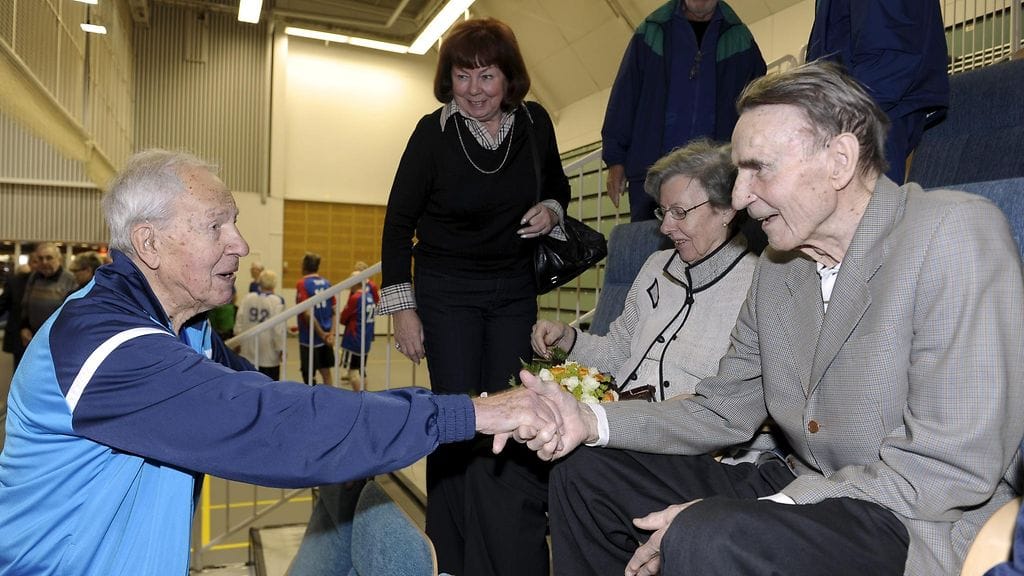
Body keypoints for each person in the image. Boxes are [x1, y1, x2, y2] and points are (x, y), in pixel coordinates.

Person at [528, 62, 1024, 576]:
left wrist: (765, 508)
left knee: (707, 534)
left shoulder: (953, 233)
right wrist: (591, 421)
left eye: (758, 168)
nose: (739, 196)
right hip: (800, 483)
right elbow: (722, 412)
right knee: (587, 474)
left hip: (912, 518)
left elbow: (948, 470)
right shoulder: (779, 267)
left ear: (839, 161)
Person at [0, 149, 564, 575]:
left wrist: (369, 435)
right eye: (216, 225)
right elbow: (269, 423)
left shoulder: (181, 329)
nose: (240, 244)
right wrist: (471, 412)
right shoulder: (105, 346)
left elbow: (291, 405)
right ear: (149, 243)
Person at [463, 139, 762, 575]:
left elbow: (740, 408)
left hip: (688, 444)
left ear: (726, 209)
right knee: (492, 460)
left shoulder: (759, 284)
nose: (668, 227)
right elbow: (619, 350)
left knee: (577, 466)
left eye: (681, 212)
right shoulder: (656, 267)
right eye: (663, 213)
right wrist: (570, 338)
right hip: (617, 419)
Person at [379, 17, 570, 574]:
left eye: (487, 75)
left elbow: (557, 187)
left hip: (513, 291)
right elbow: (396, 226)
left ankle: (505, 549)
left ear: (509, 79)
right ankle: (451, 554)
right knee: (459, 419)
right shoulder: (431, 133)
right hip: (446, 295)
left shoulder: (535, 124)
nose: (475, 89)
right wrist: (403, 311)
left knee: (513, 416)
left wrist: (551, 211)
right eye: (463, 75)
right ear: (448, 80)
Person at [603, 0, 766, 222]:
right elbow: (625, 95)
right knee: (651, 247)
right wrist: (615, 159)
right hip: (652, 178)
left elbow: (756, 111)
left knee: (711, 246)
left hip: (717, 179)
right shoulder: (651, 32)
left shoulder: (741, 40)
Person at [805, 0, 949, 184]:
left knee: (868, 205)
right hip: (854, 106)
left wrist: (830, 120)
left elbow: (888, 51)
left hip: (865, 110)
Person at [19, 242, 77, 348]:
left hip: (58, 340)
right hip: (34, 337)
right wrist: (24, 327)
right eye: (40, 259)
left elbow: (72, 313)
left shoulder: (70, 279)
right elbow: (25, 305)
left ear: (59, 259)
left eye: (49, 258)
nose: (44, 262)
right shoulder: (34, 277)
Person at [235, 269, 286, 380]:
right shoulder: (277, 301)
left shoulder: (247, 298)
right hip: (269, 355)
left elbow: (239, 321)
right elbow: (278, 329)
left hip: (248, 351)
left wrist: (238, 342)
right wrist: (281, 348)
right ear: (274, 284)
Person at [296, 252, 335, 386]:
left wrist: (322, 334)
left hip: (309, 338)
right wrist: (331, 334)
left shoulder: (302, 283)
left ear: (304, 266)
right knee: (326, 373)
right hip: (326, 337)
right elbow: (334, 311)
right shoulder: (327, 283)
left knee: (308, 376)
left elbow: (307, 314)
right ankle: (330, 401)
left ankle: (312, 403)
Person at [339, 265, 378, 392]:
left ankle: (359, 397)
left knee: (352, 372)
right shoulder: (369, 296)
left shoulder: (356, 298)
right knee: (362, 369)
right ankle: (365, 395)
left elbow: (343, 318)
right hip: (365, 339)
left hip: (353, 340)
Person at [0, 253, 37, 369]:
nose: (41, 264)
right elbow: (2, 304)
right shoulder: (16, 282)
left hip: (40, 337)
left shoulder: (56, 283)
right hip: (18, 337)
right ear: (30, 263)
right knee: (19, 371)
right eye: (36, 261)